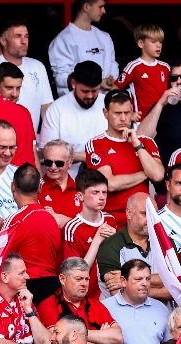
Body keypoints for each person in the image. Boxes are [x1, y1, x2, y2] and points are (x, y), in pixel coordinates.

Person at [85, 90, 164, 229]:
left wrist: (137, 144)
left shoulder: (146, 142)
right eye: (117, 113)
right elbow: (110, 184)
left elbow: (158, 176)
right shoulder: (96, 144)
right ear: (105, 113)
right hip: (112, 222)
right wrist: (146, 173)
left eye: (127, 113)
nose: (123, 118)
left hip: (143, 220)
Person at [0, 19, 52, 130]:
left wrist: (49, 137)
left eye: (26, 36)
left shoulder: (38, 66)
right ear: (3, 41)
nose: (24, 41)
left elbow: (46, 107)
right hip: (1, 138)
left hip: (31, 138)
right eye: (18, 36)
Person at [40, 62, 106, 177]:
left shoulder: (109, 105)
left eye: (94, 91)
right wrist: (83, 156)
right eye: (85, 91)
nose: (90, 96)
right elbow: (47, 152)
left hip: (105, 178)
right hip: (68, 180)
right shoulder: (56, 109)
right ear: (73, 83)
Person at [47, 0, 117, 95]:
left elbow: (113, 64)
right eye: (100, 7)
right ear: (86, 7)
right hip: (77, 102)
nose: (104, 11)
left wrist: (111, 79)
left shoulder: (105, 37)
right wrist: (97, 82)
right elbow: (61, 78)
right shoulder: (64, 39)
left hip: (106, 101)